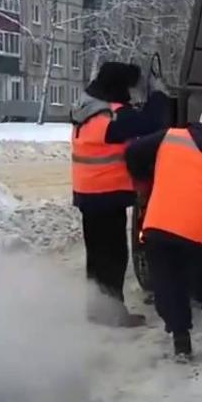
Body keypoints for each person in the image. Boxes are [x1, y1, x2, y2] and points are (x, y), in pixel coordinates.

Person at [125, 107, 202, 361]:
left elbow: (133, 151)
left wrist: (145, 181)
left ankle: (181, 342)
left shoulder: (171, 136)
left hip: (161, 225)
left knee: (168, 281)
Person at [71, 61, 164, 327]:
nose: (130, 93)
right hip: (106, 195)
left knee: (97, 255)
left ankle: (96, 309)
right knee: (113, 256)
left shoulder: (87, 109)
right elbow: (152, 122)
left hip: (88, 194)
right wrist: (157, 92)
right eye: (128, 87)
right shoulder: (111, 118)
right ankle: (112, 313)